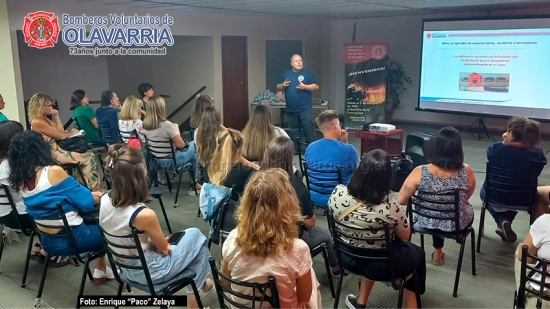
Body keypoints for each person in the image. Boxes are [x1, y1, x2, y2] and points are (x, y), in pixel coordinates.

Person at [99, 144, 213, 309]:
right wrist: (160, 245)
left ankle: (199, 289)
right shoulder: (143, 214)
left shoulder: (103, 199)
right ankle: (195, 299)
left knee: (196, 247)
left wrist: (155, 245)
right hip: (151, 271)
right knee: (197, 237)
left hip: (123, 268)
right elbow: (164, 248)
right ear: (139, 176)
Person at [329, 149, 425, 309]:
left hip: (346, 257)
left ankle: (361, 302)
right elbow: (406, 235)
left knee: (373, 248)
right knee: (417, 254)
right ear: (387, 178)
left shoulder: (337, 193)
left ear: (360, 169)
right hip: (381, 266)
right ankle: (412, 306)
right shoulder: (390, 206)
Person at [8, 130, 111, 279]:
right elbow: (87, 204)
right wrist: (96, 195)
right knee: (117, 226)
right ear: (40, 149)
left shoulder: (20, 181)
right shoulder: (52, 172)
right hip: (75, 239)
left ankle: (101, 270)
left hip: (47, 242)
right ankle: (128, 274)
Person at [221, 168, 322, 308]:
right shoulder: (298, 249)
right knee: (311, 280)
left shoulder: (233, 238)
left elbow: (225, 282)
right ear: (288, 205)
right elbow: (304, 297)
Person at [261, 136, 340, 275]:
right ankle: (336, 268)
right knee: (326, 234)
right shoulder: (297, 187)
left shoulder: (256, 180)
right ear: (289, 159)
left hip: (262, 232)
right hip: (289, 236)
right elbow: (310, 222)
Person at [397, 126, 476, 266]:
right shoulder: (467, 171)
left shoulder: (419, 171)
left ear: (435, 147)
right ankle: (438, 253)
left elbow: (401, 200)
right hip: (456, 225)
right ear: (458, 149)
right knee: (450, 212)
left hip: (426, 221)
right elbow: (466, 197)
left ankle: (437, 252)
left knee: (435, 212)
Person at [480, 116, 547, 242]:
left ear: (510, 133)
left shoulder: (496, 150)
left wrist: (504, 142)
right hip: (525, 198)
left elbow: (491, 154)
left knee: (485, 194)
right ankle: (505, 222)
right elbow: (537, 173)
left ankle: (502, 221)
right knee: (515, 194)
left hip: (495, 196)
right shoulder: (537, 154)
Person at [28, 93, 100, 190]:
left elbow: (60, 131)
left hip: (59, 149)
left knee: (87, 154)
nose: (51, 108)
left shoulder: (45, 118)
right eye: (48, 106)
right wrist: (72, 132)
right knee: (88, 156)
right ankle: (93, 188)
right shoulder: (37, 122)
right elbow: (61, 136)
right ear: (40, 106)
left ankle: (84, 186)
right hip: (52, 154)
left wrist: (57, 117)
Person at [305, 110, 359, 208]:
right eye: (339, 124)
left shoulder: (310, 147)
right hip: (339, 200)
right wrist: (345, 143)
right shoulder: (348, 150)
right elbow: (359, 172)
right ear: (335, 125)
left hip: (313, 196)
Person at [142, 96, 198, 191]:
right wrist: (176, 130)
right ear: (161, 108)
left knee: (193, 156)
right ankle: (194, 182)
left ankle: (195, 182)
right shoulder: (166, 124)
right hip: (172, 162)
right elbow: (181, 145)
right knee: (194, 145)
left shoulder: (144, 124)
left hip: (156, 162)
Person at [204, 129, 259, 201]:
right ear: (239, 151)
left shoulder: (208, 167)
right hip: (236, 210)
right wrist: (245, 161)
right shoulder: (244, 172)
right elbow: (264, 174)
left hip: (212, 209)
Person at [277, 54, 319, 146]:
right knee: (294, 131)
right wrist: (283, 85)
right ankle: (297, 150)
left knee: (309, 130)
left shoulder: (308, 73)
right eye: (296, 61)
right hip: (291, 109)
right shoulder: (286, 74)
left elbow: (316, 86)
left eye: (300, 60)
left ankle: (311, 150)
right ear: (292, 63)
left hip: (305, 109)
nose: (299, 62)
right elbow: (278, 86)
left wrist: (305, 86)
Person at [515, 214, 550, 309]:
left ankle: (521, 294)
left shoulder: (546, 221)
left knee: (521, 250)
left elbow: (524, 257)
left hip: (544, 297)